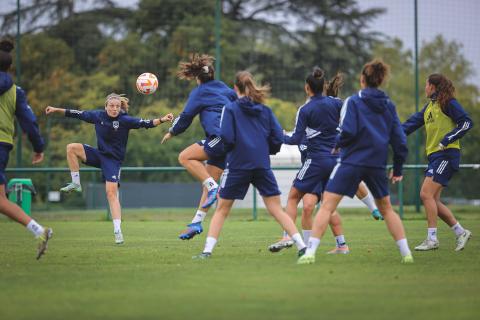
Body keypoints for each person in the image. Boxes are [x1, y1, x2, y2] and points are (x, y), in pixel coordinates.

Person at [298, 59, 414, 264]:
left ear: (362, 79)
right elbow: (400, 141)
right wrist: (397, 168)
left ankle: (310, 253)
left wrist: (337, 144)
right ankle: (406, 253)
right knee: (387, 209)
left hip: (351, 161)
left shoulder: (353, 101)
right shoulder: (389, 105)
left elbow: (348, 131)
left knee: (326, 207)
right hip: (377, 163)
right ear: (381, 80)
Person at [268, 68, 383, 255]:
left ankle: (288, 236)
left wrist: (280, 136)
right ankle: (340, 244)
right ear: (324, 86)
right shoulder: (338, 103)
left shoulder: (305, 110)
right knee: (321, 206)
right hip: (337, 159)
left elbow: (295, 139)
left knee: (293, 197)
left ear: (307, 88)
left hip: (317, 162)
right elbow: (350, 123)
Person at [194, 71, 307, 259]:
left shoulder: (230, 109)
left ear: (235, 88)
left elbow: (227, 137)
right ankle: (302, 246)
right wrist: (267, 150)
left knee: (222, 209)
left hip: (238, 164)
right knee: (276, 208)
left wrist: (230, 149)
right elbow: (277, 137)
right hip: (261, 164)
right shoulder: (265, 110)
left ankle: (206, 252)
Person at [45, 94, 173, 244]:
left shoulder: (125, 120)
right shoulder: (97, 116)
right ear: (106, 106)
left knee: (111, 194)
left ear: (120, 107)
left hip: (113, 161)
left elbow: (147, 123)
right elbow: (75, 113)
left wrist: (163, 119)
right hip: (98, 155)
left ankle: (118, 230)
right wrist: (55, 109)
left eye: (117, 106)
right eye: (111, 106)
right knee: (71, 148)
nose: (114, 108)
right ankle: (76, 183)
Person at [161, 54, 237, 240]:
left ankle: (213, 188)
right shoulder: (225, 89)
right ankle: (196, 222)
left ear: (197, 78)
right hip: (231, 140)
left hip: (219, 137)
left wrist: (172, 131)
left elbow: (186, 115)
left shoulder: (200, 91)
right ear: (212, 75)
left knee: (185, 157)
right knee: (208, 182)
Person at [403, 73, 473, 251]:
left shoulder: (448, 103)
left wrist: (447, 139)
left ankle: (432, 239)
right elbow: (409, 125)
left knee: (425, 194)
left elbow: (466, 123)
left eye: (426, 85)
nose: (425, 88)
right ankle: (460, 232)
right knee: (433, 200)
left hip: (447, 156)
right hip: (435, 158)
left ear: (433, 87)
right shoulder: (429, 108)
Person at [0, 38, 52, 259]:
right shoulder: (16, 91)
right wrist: (38, 146)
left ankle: (39, 231)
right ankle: (39, 231)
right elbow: (29, 122)